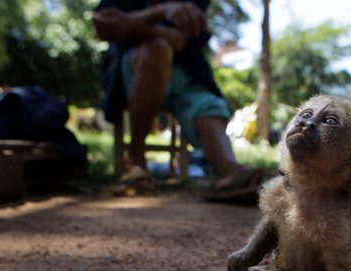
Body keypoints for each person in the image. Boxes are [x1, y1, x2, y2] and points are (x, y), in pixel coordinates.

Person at [92, 0, 262, 198]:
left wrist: (132, 25)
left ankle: (229, 169)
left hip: (186, 74)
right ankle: (135, 160)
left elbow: (179, 40)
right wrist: (163, 11)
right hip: (134, 68)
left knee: (208, 106)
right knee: (157, 49)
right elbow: (104, 25)